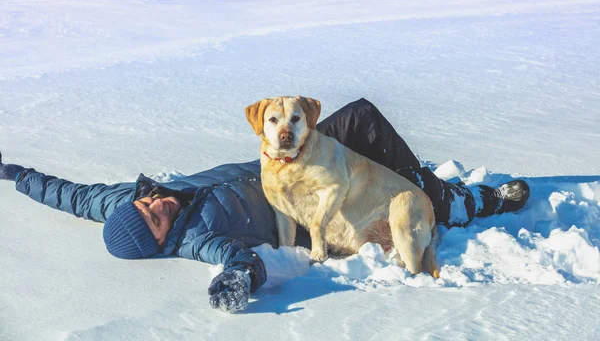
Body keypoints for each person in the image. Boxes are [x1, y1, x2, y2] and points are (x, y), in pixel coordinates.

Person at [0, 99, 529, 313]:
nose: (157, 203)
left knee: (362, 118)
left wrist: (13, 173)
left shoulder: (118, 201)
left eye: (147, 204)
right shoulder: (197, 237)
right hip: (306, 217)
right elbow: (237, 258)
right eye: (158, 218)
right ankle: (464, 203)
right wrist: (236, 282)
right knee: (394, 181)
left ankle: (415, 183)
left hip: (292, 162)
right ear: (163, 241)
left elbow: (66, 194)